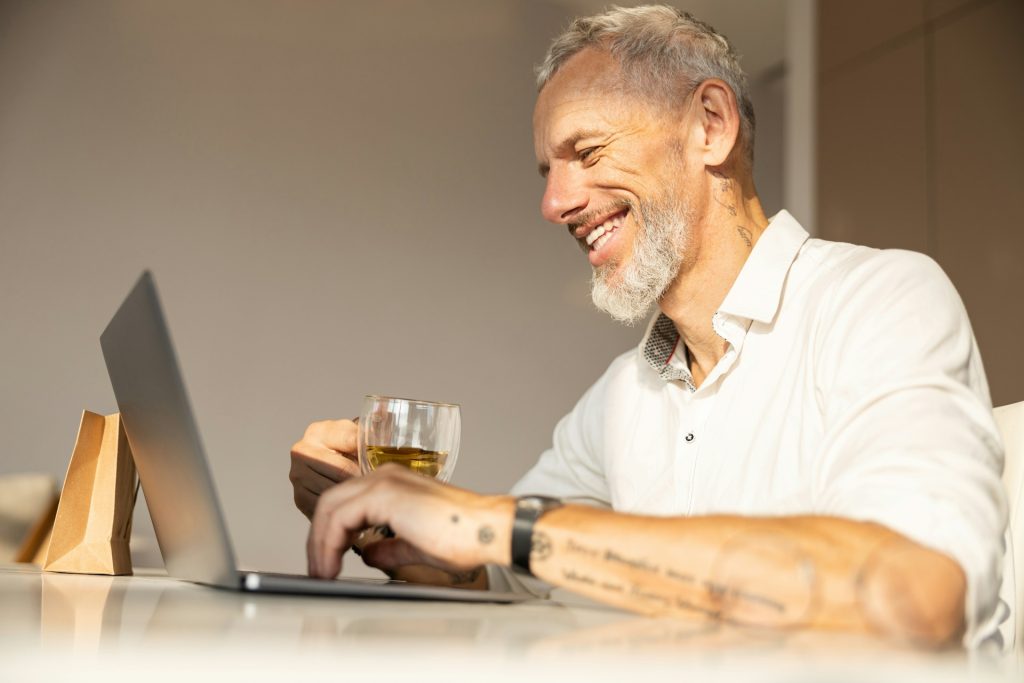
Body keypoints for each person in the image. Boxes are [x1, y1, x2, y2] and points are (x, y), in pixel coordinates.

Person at [289, 5, 1006, 648]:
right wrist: (383, 516)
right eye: (547, 170)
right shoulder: (622, 393)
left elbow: (916, 593)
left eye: (587, 152)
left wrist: (492, 522)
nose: (554, 203)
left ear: (710, 125)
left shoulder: (881, 301)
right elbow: (502, 575)